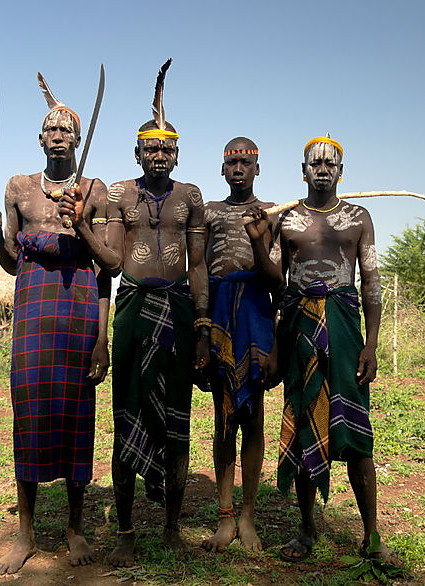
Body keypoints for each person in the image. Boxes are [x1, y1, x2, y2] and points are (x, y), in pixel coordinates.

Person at [0, 78, 118, 575]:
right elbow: (13, 261)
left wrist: (102, 339)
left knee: (79, 416)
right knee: (30, 417)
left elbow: (110, 268)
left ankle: (75, 528)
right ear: (40, 139)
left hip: (80, 314)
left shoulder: (94, 192)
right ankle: (26, 532)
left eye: (66, 129)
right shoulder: (18, 188)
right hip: (34, 313)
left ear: (77, 140)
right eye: (50, 128)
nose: (58, 134)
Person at [267, 135, 396, 563]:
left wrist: (371, 344)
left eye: (330, 163)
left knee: (357, 435)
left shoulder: (358, 217)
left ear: (341, 171)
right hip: (299, 328)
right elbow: (274, 285)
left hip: (343, 328)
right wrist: (255, 241)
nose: (322, 169)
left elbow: (371, 281)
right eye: (315, 163)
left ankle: (371, 534)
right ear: (303, 170)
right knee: (305, 419)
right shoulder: (286, 221)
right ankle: (306, 531)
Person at [103, 80, 210, 566]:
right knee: (127, 415)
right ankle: (125, 529)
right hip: (131, 310)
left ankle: (170, 526)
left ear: (178, 155)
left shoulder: (191, 196)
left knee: (175, 420)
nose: (160, 156)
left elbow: (200, 263)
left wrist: (203, 325)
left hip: (178, 310)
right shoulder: (119, 194)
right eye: (151, 149)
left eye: (168, 149)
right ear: (137, 153)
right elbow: (107, 261)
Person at [200, 138, 282, 553]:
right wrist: (200, 328)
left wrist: (258, 238)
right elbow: (197, 267)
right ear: (222, 169)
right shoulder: (209, 212)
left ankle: (248, 516)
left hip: (255, 313)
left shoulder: (272, 214)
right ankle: (225, 515)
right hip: (218, 312)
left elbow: (276, 280)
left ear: (256, 169)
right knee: (223, 416)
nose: (237, 169)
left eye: (245, 162)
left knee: (253, 415)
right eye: (231, 162)